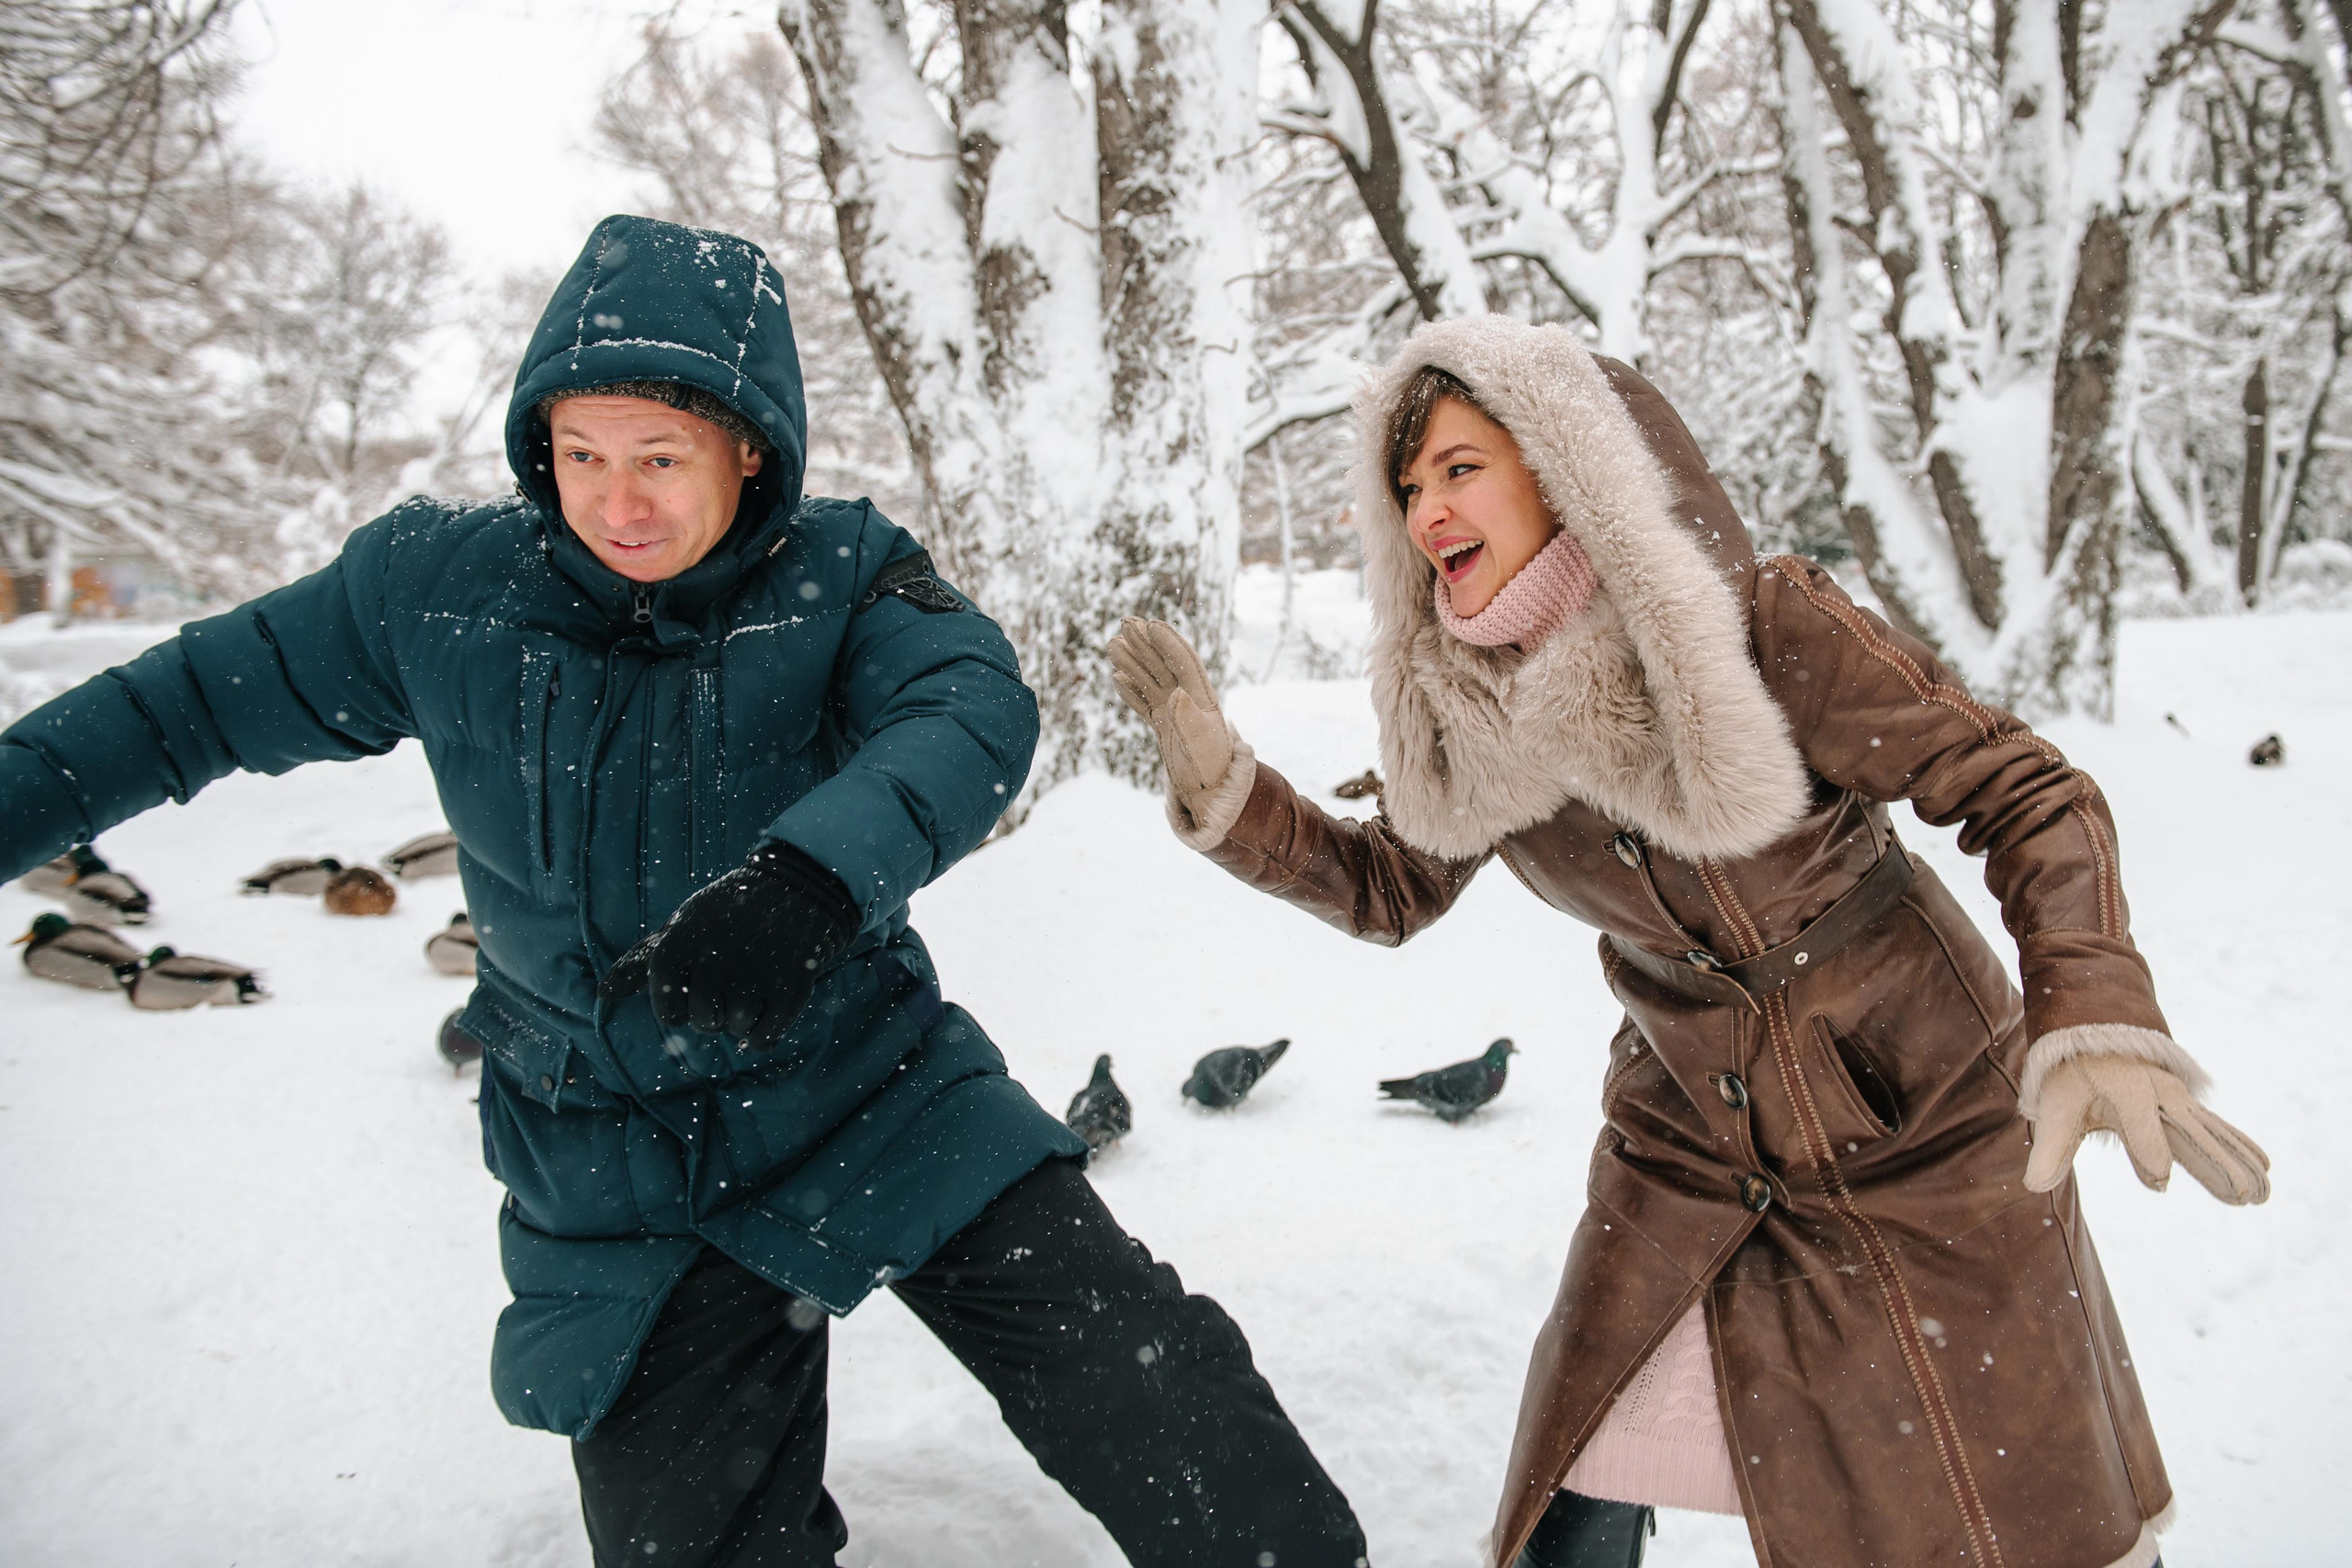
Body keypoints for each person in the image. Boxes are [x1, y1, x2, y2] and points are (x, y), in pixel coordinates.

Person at [0, 215, 1367, 1568]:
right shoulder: (433, 591)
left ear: (748, 449)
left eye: (661, 457)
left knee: (1148, 1385)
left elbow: (969, 709)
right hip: (614, 1159)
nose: (620, 503)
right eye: (582, 455)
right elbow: (172, 709)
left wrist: (810, 882)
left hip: (869, 1087)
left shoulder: (842, 574)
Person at [1107, 315, 2270, 1568]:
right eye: (1407, 487)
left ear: (1566, 463)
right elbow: (1391, 885)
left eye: (1460, 467)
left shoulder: (1766, 630)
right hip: (1688, 1136)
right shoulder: (1471, 708)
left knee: (2018, 1514)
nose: (1427, 510)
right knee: (1575, 1486)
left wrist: (2095, 1008)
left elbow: (2024, 789)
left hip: (1921, 1116)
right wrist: (1231, 795)